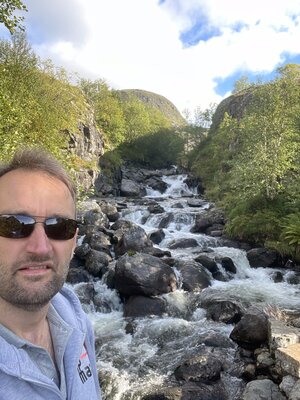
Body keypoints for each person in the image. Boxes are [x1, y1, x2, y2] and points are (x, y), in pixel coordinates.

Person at [0, 148, 101, 399]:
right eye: (14, 224)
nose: (40, 247)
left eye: (59, 227)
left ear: (74, 241)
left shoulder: (77, 321)